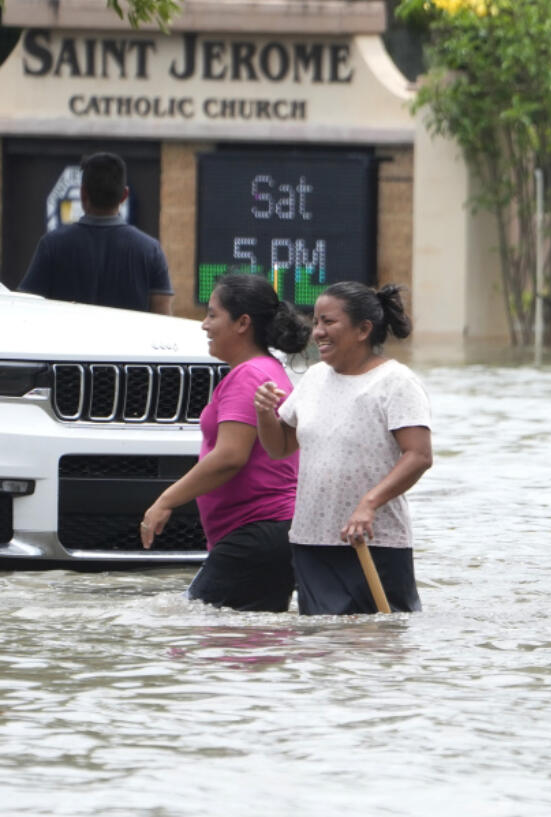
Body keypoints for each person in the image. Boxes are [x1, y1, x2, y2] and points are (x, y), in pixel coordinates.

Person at [254, 281, 433, 615]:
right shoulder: (314, 378)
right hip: (311, 538)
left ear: (363, 329)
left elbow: (419, 456)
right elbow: (279, 447)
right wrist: (265, 415)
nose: (317, 332)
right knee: (320, 647)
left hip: (373, 540)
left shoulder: (396, 382)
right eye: (316, 322)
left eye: (329, 322)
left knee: (376, 647)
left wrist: (369, 504)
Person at [140, 273, 310, 611]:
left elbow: (231, 456)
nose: (204, 325)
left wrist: (164, 501)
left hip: (258, 532)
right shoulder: (266, 370)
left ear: (242, 323)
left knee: (187, 629)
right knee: (247, 645)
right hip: (267, 533)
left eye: (213, 314)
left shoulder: (249, 375)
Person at [19, 152, 173, 314]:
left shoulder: (51, 246)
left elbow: (26, 308)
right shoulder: (150, 251)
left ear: (82, 194)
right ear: (124, 195)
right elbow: (163, 319)